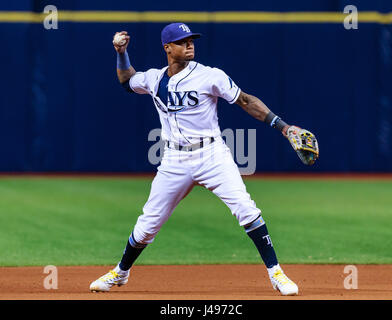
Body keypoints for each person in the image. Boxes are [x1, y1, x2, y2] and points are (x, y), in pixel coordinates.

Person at [90, 22, 298, 296]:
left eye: (191, 40)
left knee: (246, 210)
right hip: (174, 159)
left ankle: (277, 273)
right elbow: (127, 80)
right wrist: (121, 52)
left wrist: (284, 127)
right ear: (167, 48)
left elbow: (246, 101)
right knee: (147, 225)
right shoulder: (153, 78)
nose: (189, 44)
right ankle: (121, 272)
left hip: (212, 155)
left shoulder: (210, 76)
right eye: (182, 41)